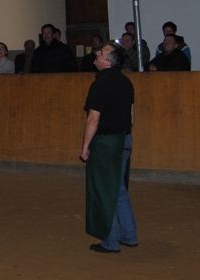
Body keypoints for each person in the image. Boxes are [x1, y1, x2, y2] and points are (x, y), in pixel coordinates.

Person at [80, 41, 137, 254]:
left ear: (107, 61)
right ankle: (129, 235)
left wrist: (85, 146)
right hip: (123, 139)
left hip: (106, 142)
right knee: (119, 189)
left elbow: (93, 120)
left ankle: (111, 240)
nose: (97, 53)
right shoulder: (126, 82)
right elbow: (131, 116)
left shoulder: (100, 84)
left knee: (105, 190)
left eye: (101, 52)